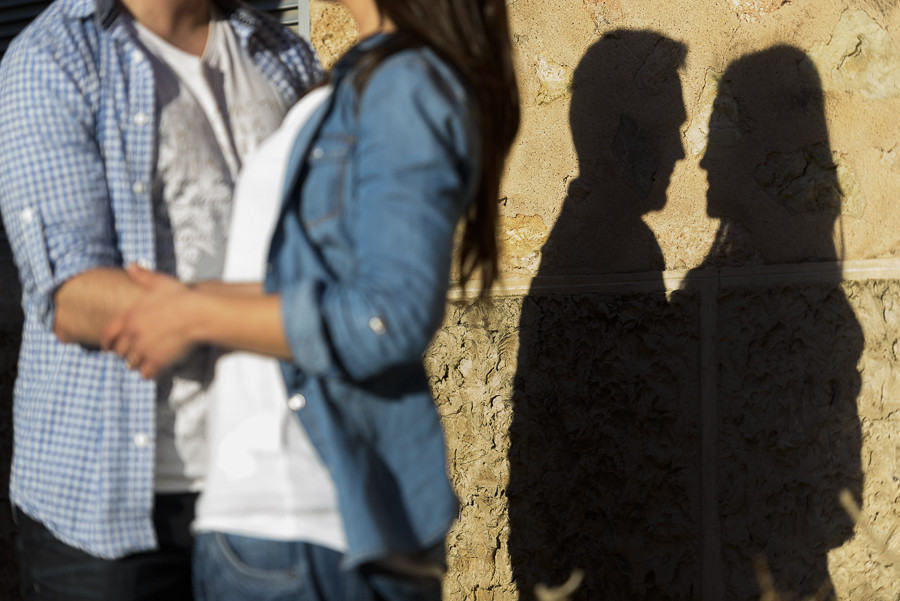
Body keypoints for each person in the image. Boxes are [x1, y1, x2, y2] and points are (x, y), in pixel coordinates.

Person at [103, 0, 520, 598]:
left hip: (309, 530)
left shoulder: (405, 83)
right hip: (268, 523)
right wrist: (189, 301)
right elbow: (301, 280)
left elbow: (388, 315)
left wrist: (194, 313)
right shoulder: (354, 78)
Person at [0, 0, 320, 599]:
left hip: (276, 482)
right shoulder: (52, 59)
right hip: (111, 513)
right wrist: (291, 317)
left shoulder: (282, 54)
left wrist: (198, 312)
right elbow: (74, 296)